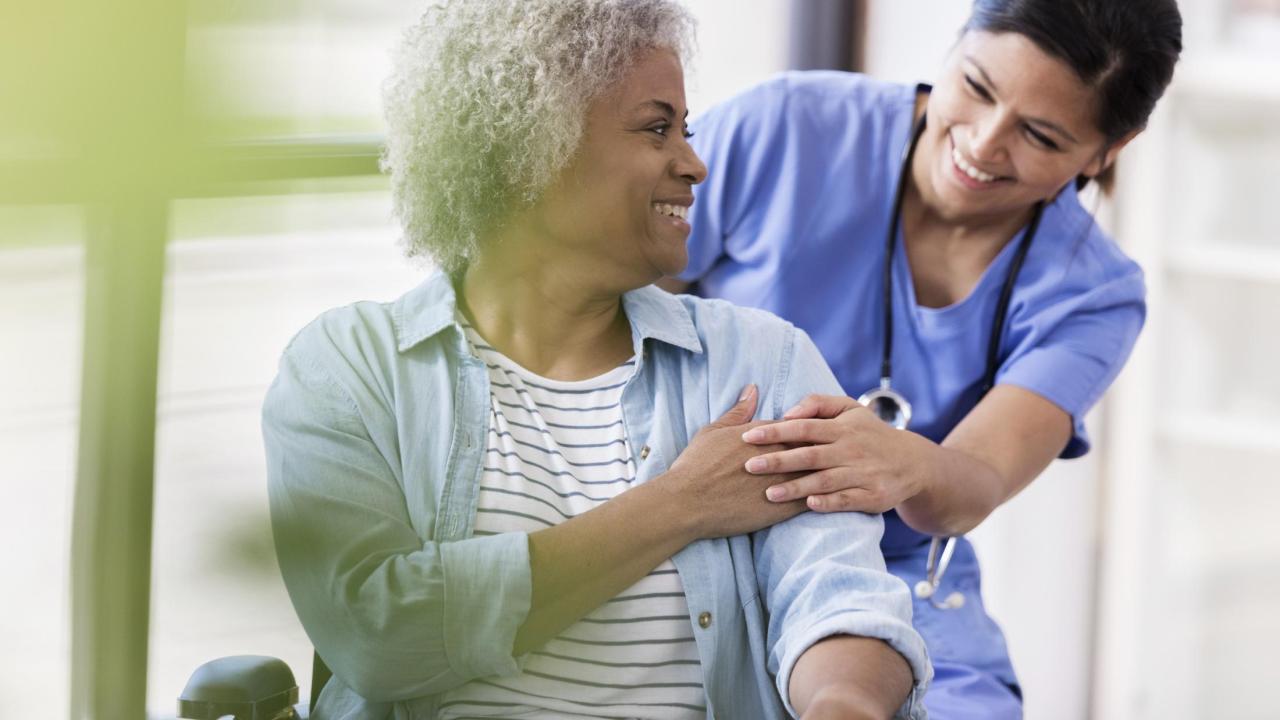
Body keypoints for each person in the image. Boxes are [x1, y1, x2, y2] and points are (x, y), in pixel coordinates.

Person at [262, 1, 931, 718]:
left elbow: (837, 595)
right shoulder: (348, 368)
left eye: (687, 130)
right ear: (531, 149)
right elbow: (378, 634)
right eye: (656, 128)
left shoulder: (761, 360)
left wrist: (845, 705)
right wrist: (679, 506)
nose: (696, 163)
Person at [664, 0, 1183, 716]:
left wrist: (909, 462)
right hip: (694, 512)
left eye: (1039, 134)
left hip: (890, 565)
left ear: (1105, 151)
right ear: (957, 45)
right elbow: (603, 291)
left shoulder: (1093, 295)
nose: (984, 143)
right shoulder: (787, 128)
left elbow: (973, 482)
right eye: (975, 86)